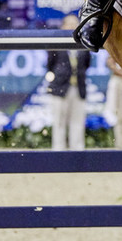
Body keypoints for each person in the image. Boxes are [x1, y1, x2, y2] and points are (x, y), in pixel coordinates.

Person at [45, 15, 91, 150]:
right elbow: (50, 64)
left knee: (77, 121)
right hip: (60, 87)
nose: (72, 27)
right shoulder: (56, 43)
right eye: (69, 24)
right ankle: (58, 151)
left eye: (75, 24)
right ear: (62, 26)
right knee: (59, 121)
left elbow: (87, 64)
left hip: (78, 87)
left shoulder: (83, 43)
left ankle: (77, 151)